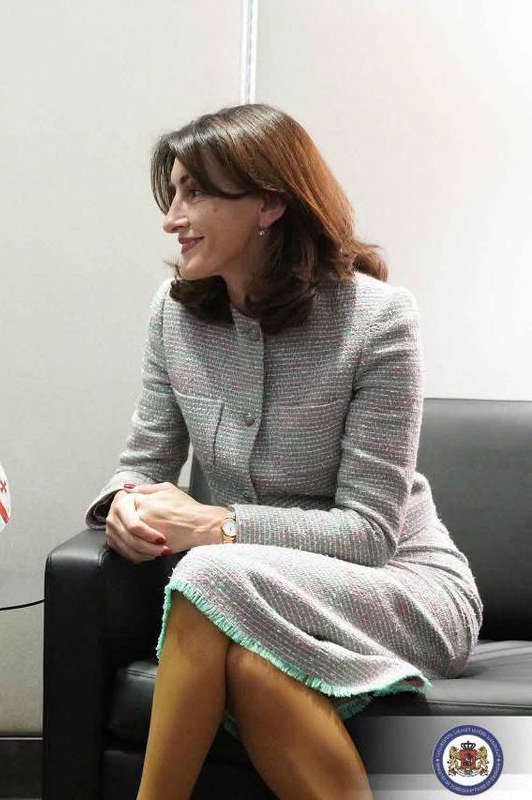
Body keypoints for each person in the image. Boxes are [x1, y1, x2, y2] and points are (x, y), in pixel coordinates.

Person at [86, 104, 480, 799]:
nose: (172, 218)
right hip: (251, 588)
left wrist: (217, 525)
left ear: (268, 204)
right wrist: (125, 504)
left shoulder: (380, 321)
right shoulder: (174, 315)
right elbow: (144, 463)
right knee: (249, 664)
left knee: (208, 576)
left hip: (397, 587)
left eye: (195, 192)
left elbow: (368, 534)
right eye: (171, 194)